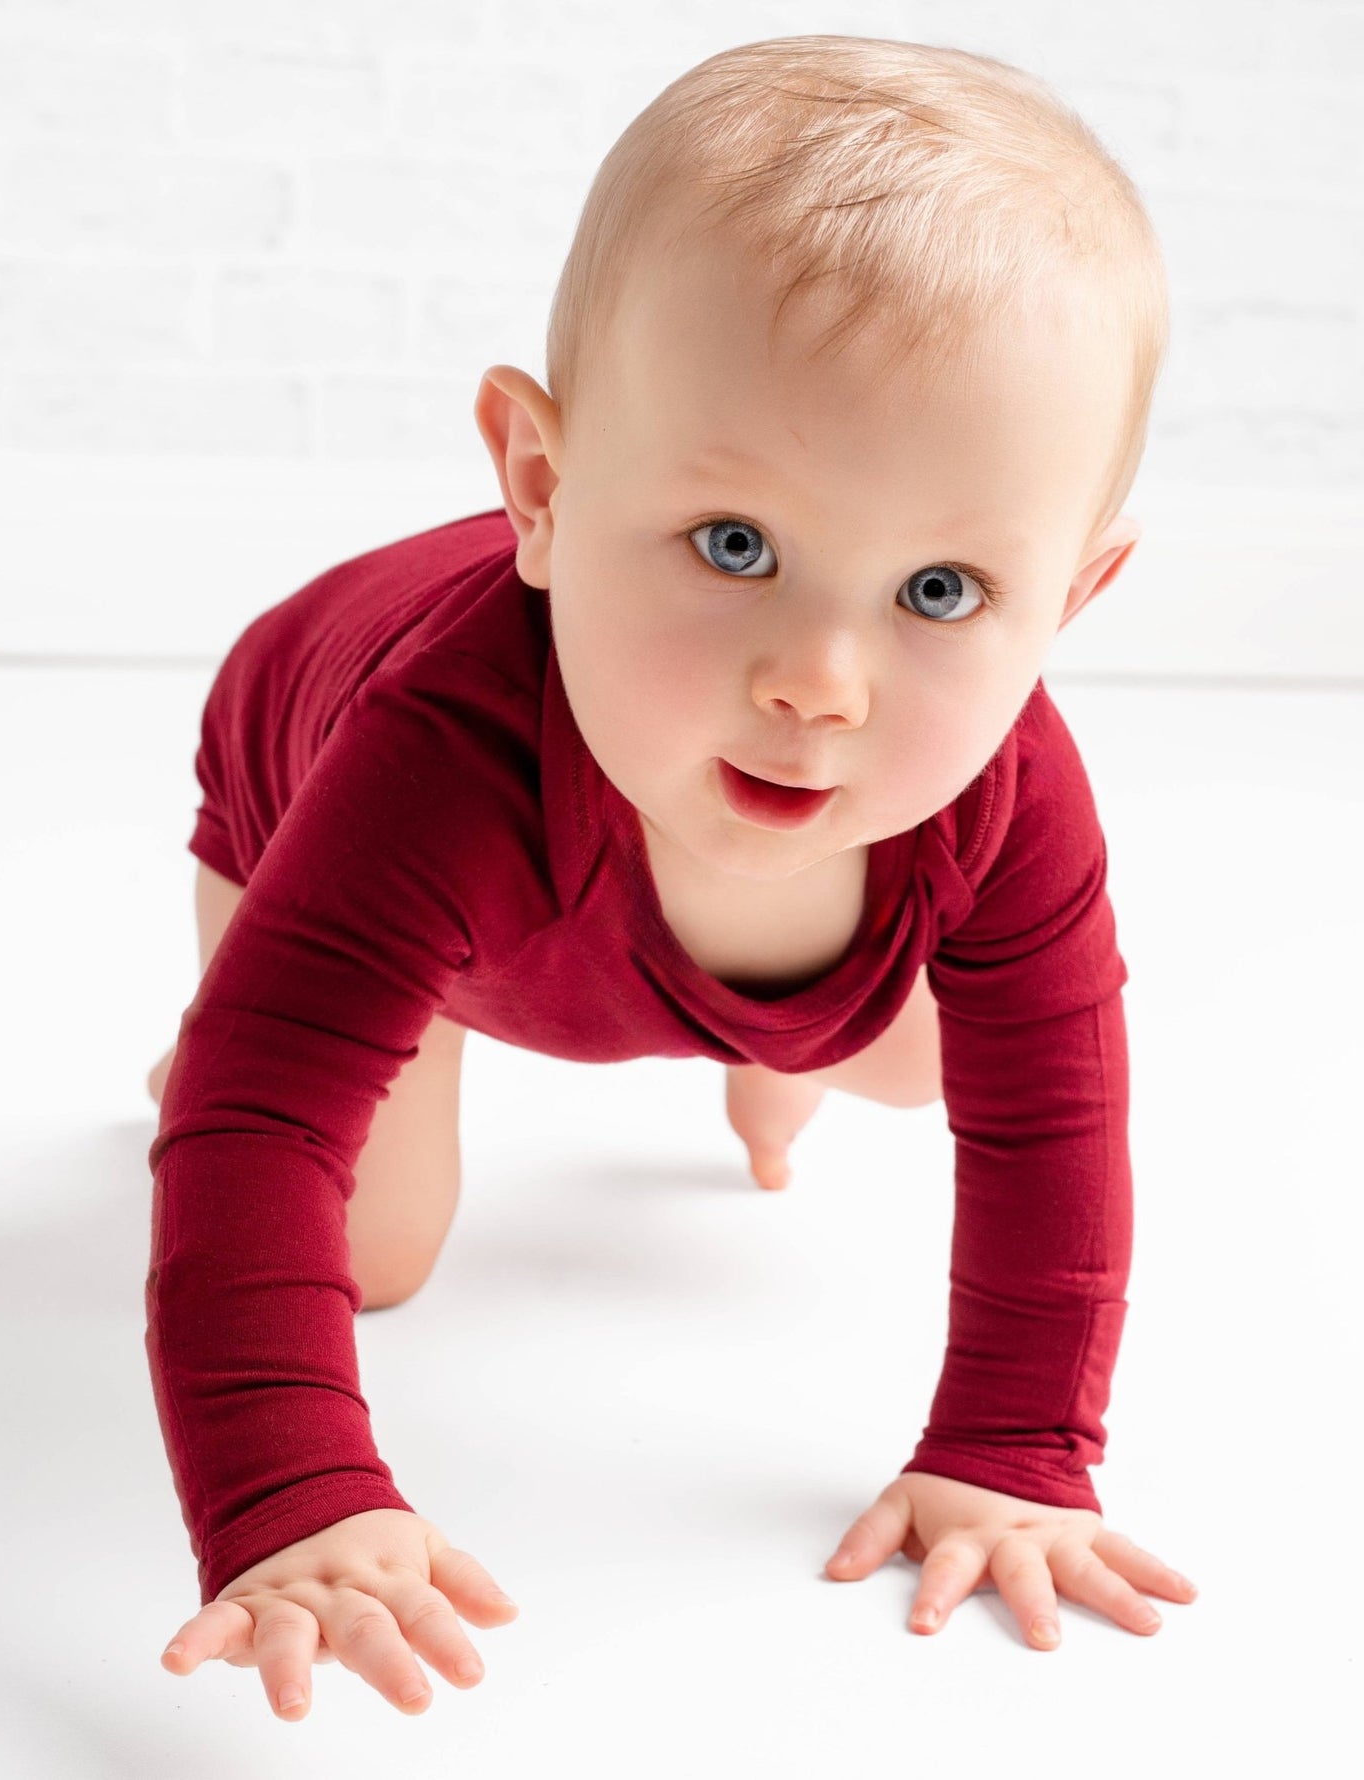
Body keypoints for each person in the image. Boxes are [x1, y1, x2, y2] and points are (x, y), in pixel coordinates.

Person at [145, 33, 1196, 1722]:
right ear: (544, 492)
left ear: (1067, 599)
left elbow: (1056, 1116)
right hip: (347, 833)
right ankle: (257, 1004)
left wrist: (1014, 1448)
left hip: (667, 895)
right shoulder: (432, 757)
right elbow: (261, 1127)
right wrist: (294, 1500)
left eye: (939, 592)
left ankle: (769, 1035)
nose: (820, 682)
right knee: (374, 1243)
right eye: (735, 547)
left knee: (945, 1057)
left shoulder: (1001, 788)